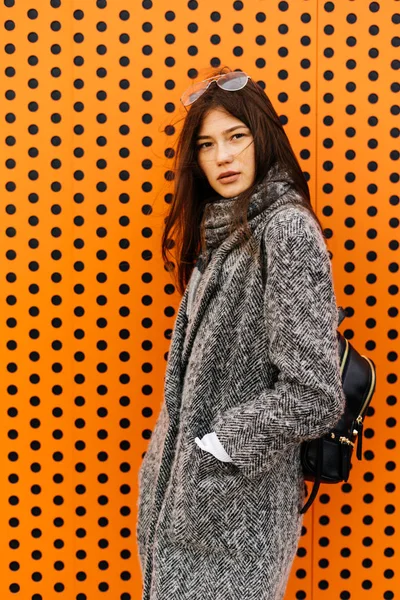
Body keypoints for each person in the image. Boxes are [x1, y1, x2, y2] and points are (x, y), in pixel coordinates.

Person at [136, 67, 346, 600]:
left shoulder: (285, 230)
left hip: (236, 522)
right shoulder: (223, 236)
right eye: (206, 145)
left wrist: (221, 445)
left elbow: (314, 393)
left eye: (236, 137)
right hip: (186, 513)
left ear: (263, 139)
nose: (222, 157)